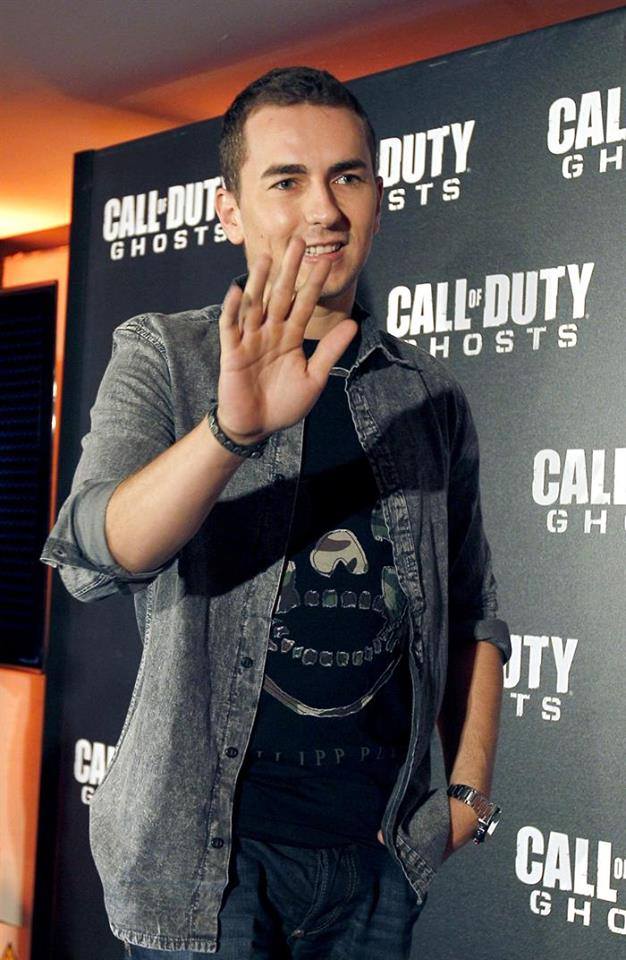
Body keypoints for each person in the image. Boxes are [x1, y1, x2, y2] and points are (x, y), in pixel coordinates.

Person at [40, 66, 511, 958]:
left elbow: (475, 612)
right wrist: (230, 431)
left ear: (378, 199)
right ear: (229, 211)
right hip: (203, 865)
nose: (324, 210)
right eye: (287, 181)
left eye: (347, 176)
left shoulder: (429, 395)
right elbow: (94, 554)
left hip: (374, 865)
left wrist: (466, 797)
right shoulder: (165, 354)